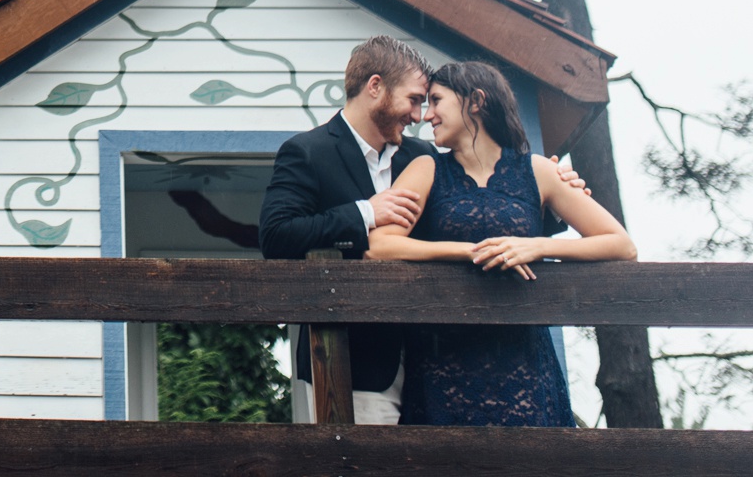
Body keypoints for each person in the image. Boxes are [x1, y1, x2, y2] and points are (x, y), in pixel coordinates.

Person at [365, 60, 636, 427]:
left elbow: (620, 244)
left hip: (525, 362)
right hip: (443, 364)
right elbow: (379, 246)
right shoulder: (426, 169)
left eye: (437, 101)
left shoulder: (538, 170)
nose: (428, 115)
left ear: (475, 101)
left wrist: (537, 247)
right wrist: (468, 251)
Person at [258, 35, 439, 425]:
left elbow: (464, 218)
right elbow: (276, 236)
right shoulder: (306, 152)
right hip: (345, 362)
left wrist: (553, 201)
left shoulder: (422, 157)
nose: (420, 115)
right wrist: (363, 214)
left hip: (432, 361)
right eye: (414, 99)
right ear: (375, 87)